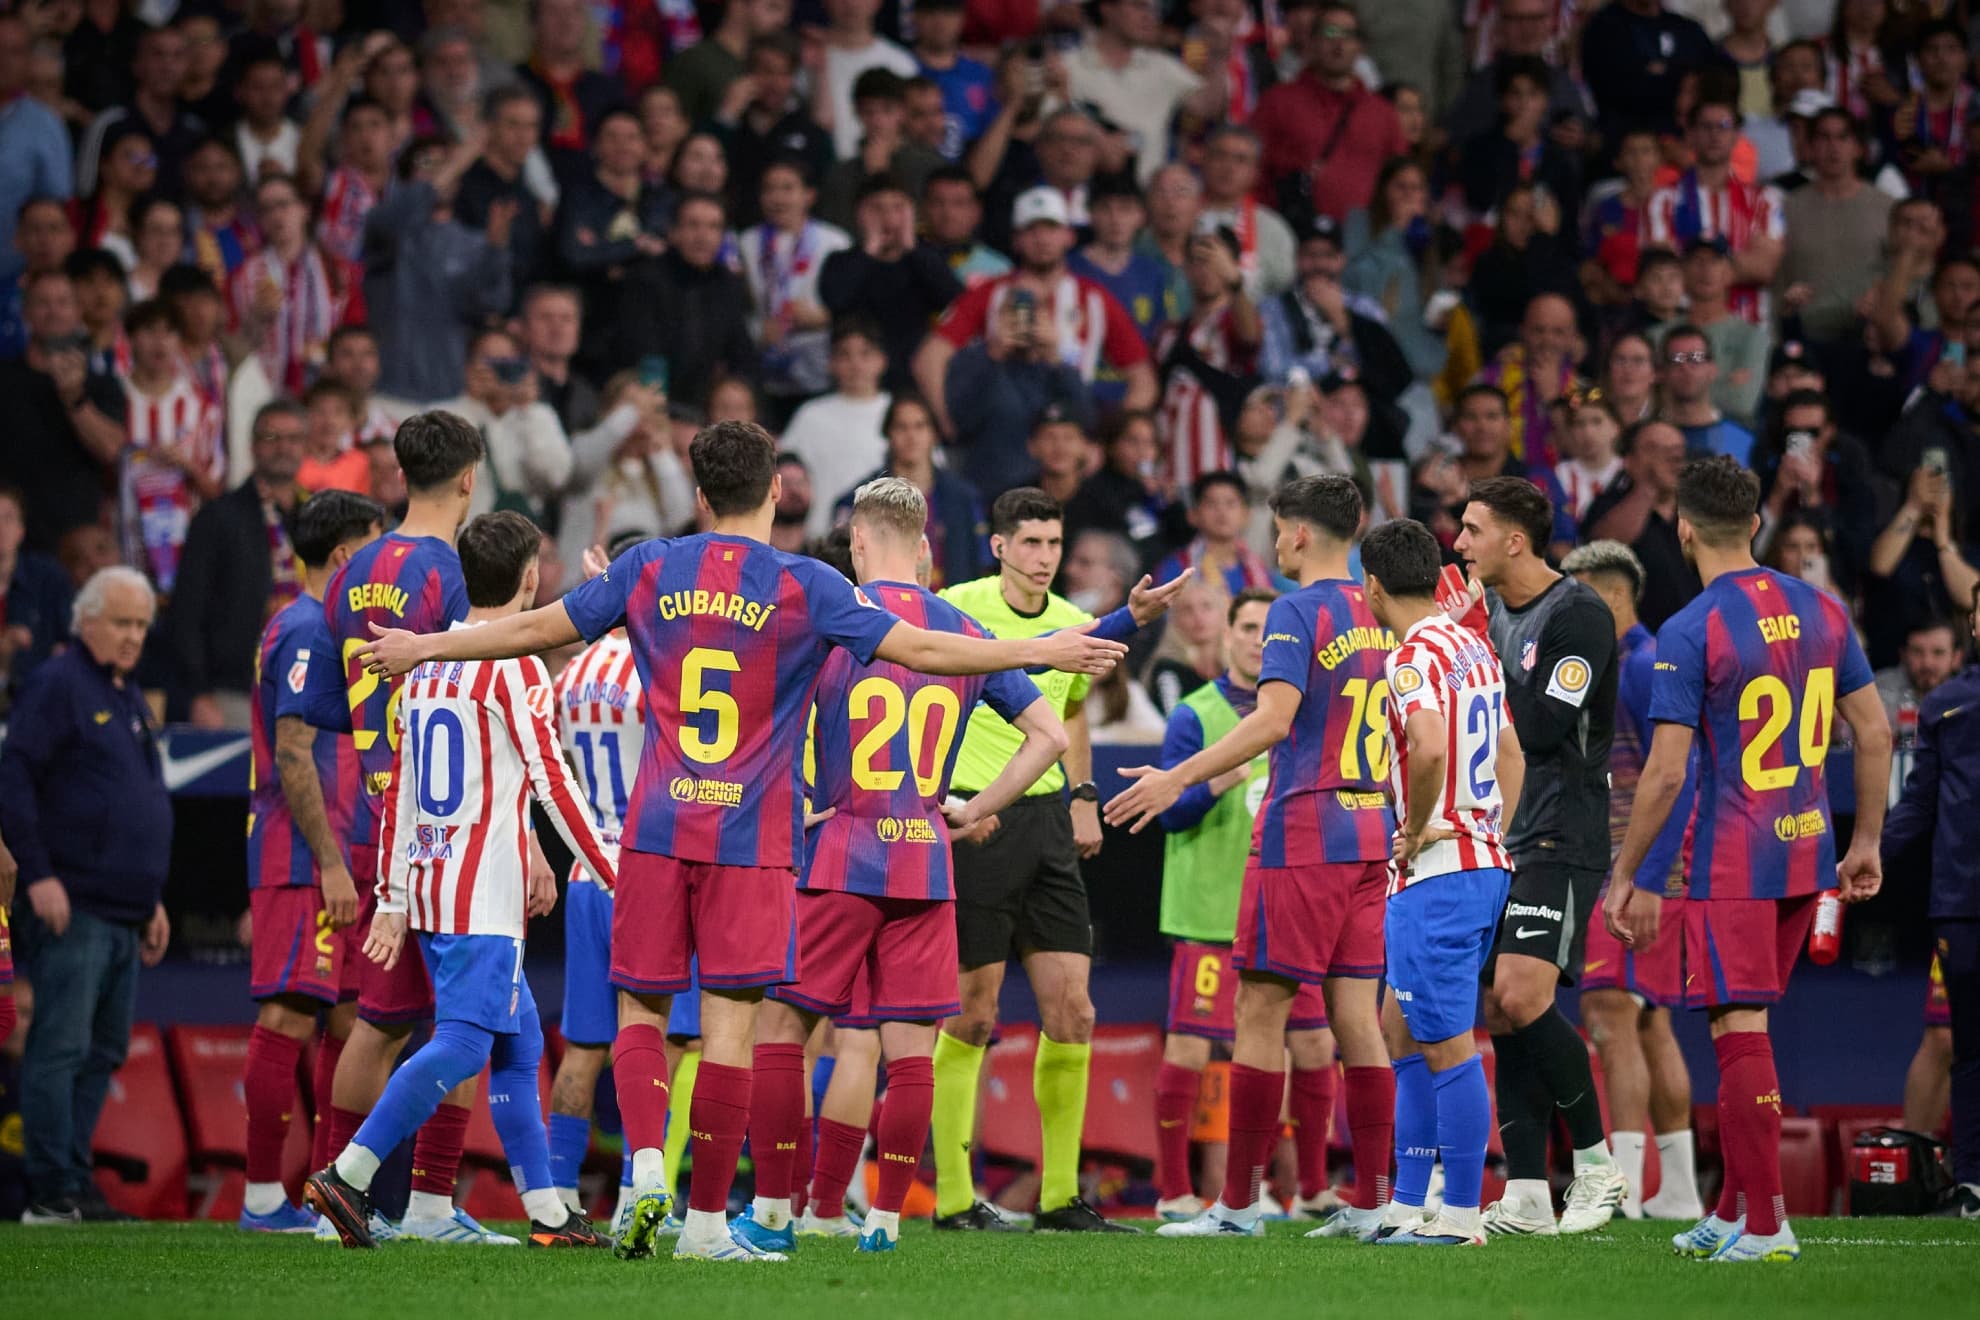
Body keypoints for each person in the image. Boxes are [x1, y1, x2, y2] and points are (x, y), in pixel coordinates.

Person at [355, 423, 1133, 1263]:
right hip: (753, 840)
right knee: (731, 1032)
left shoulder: (648, 564)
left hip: (654, 829)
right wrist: (1040, 646)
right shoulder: (808, 584)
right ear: (775, 494)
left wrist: (424, 644)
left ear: (699, 497)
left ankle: (645, 1171)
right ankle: (707, 1227)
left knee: (639, 1013)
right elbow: (924, 648)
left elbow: (530, 632)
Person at [736, 477, 1072, 1257]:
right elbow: (1050, 737)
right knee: (910, 1049)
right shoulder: (961, 629)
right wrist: (976, 807)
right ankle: (883, 1222)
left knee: (784, 1029)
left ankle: (777, 1215)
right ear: (924, 546)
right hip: (924, 858)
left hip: (844, 850)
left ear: (857, 543)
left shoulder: (830, 620)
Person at [1607, 455, 1892, 1263]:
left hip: (1733, 858)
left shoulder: (1690, 628)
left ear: (1685, 529)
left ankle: (1767, 1226)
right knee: (1749, 1025)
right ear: (1759, 523)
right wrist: (1865, 840)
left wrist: (1627, 873)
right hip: (1808, 855)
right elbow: (1872, 733)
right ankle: (1732, 1208)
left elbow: (1665, 773)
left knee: (1738, 1032)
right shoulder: (1825, 610)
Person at [307, 511, 615, 1251]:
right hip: (484, 893)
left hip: (438, 882)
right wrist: (614, 869)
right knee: (466, 1046)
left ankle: (547, 1212)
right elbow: (553, 781)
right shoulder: (513, 667)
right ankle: (346, 1175)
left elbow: (404, 790)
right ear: (532, 578)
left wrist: (393, 897)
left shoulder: (427, 666)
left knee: (516, 1047)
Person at [1110, 475, 1397, 1242]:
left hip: (1304, 832)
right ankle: (1370, 1203)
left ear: (1299, 535)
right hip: (1372, 831)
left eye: (1277, 530)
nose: (1274, 544)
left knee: (1259, 1014)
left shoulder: (1296, 610)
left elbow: (1273, 719)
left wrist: (1178, 775)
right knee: (1355, 1022)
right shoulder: (1380, 612)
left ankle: (1236, 1208)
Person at [922, 487, 1184, 1236]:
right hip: (975, 814)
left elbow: (1067, 710)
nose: (1043, 557)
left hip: (1045, 822)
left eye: (1053, 544)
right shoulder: (956, 605)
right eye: (1029, 543)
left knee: (1074, 1009)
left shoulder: (1073, 625)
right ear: (999, 546)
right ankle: (951, 1199)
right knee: (972, 1015)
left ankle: (1062, 1197)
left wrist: (1082, 795)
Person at [302, 411, 505, 1247]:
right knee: (464, 1019)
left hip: (375, 815)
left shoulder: (350, 576)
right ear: (467, 478)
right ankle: (424, 1205)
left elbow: (327, 715)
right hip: (449, 823)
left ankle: (329, 1202)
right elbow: (485, 693)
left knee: (378, 1020)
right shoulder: (451, 574)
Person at [1453, 476, 1629, 1235]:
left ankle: (1596, 1165)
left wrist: (1477, 644)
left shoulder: (1579, 616)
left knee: (1524, 998)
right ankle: (1526, 1191)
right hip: (1502, 832)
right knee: (1504, 1009)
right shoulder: (1487, 611)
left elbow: (1546, 726)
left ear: (1514, 541)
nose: (1458, 544)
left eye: (1471, 529)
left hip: (1563, 831)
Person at [1142, 587, 1343, 1221]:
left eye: (1268, 628)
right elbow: (1168, 812)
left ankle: (1311, 1189)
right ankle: (1174, 1191)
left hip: (1290, 908)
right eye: (1249, 627)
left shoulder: (1305, 710)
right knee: (1191, 1052)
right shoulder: (1195, 716)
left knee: (1313, 1048)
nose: (1260, 639)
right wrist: (1222, 775)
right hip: (1209, 912)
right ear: (1226, 634)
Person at [1352, 515, 1523, 1246]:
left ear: (1371, 586)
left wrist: (1418, 826)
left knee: (1448, 1041)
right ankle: (1408, 1201)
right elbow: (1511, 756)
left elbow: (1423, 749)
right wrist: (1489, 827)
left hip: (1439, 872)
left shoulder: (1412, 654)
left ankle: (1458, 1218)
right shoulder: (1473, 645)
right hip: (1477, 864)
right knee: (1401, 1025)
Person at [0, 566, 171, 1224]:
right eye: (121, 623)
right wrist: (36, 873)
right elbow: (13, 779)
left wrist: (152, 897)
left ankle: (74, 1179)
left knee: (101, 1051)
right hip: (71, 901)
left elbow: (134, 802)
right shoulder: (57, 684)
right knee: (61, 1046)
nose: (132, 637)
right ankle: (49, 1189)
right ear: (86, 622)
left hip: (124, 910)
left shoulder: (122, 694)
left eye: (140, 626)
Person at [237, 489, 383, 1234]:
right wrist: (327, 860)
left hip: (343, 851)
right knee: (291, 1012)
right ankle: (264, 1195)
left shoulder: (329, 628)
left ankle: (329, 1199)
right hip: (305, 855)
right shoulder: (305, 629)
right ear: (343, 556)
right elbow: (293, 750)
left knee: (355, 1020)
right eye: (374, 550)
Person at [1559, 540, 1706, 1223]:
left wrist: (1644, 876)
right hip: (1649, 870)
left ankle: (1618, 1188)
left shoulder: (1643, 665)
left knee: (1611, 1019)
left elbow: (1680, 773)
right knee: (1652, 1027)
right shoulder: (1624, 662)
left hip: (1633, 869)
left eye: (1577, 592)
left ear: (1610, 593)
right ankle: (1677, 1189)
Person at [917, 188, 1155, 491]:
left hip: (1069, 457)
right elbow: (929, 359)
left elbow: (1143, 381)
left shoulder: (1094, 299)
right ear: (1016, 238)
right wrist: (948, 424)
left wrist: (1106, 442)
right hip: (1000, 452)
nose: (1042, 239)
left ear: (1068, 236)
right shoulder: (990, 294)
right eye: (1032, 230)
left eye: (1051, 228)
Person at [1884, 590, 1980, 1219]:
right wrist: (1866, 855)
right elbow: (1917, 806)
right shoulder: (1948, 704)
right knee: (1967, 1045)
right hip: (1964, 902)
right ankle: (1972, 1183)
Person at [166, 400, 308, 731]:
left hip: (306, 689)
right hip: (233, 692)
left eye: (293, 438)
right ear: (254, 445)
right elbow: (187, 611)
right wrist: (198, 692)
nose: (283, 447)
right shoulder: (218, 516)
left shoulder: (318, 518)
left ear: (306, 446)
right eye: (272, 437)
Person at [362, 136, 517, 406]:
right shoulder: (387, 226)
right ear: (408, 178)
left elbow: (490, 303)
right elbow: (389, 223)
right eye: (426, 163)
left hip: (450, 391)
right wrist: (453, 164)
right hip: (387, 391)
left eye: (445, 165)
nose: (440, 170)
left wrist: (495, 250)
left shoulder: (475, 243)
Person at [1253, 3, 1405, 220]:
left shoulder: (1383, 114)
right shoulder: (1277, 102)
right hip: (1294, 234)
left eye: (1348, 35)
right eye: (1329, 32)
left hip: (1364, 241)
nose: (1338, 42)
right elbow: (1253, 170)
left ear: (1361, 46)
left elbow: (1399, 180)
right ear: (1312, 41)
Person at [1646, 95, 1787, 327]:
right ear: (1689, 134)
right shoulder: (1661, 200)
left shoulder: (1766, 200)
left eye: (1723, 126)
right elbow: (1662, 271)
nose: (1714, 134)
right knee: (1688, 362)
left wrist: (1693, 265)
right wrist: (1738, 263)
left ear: (1736, 136)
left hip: (1746, 335)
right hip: (1680, 335)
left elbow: (1766, 268)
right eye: (1705, 127)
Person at [117, 296, 224, 592]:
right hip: (119, 543)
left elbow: (215, 490)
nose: (160, 341)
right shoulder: (114, 399)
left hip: (184, 552)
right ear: (131, 339)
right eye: (149, 330)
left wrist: (186, 466)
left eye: (169, 332)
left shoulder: (202, 407)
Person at [830, 392, 989, 590]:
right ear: (888, 434)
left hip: (951, 612)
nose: (911, 436)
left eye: (920, 426)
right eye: (901, 427)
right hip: (882, 613)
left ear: (934, 434)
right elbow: (840, 566)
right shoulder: (860, 501)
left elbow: (982, 565)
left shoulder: (964, 498)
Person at [1067, 0, 1225, 185]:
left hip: (1145, 199)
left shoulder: (1163, 68)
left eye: (1152, 9)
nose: (1149, 16)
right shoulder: (1068, 67)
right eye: (1138, 6)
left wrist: (1217, 56)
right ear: (1107, 8)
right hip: (1084, 194)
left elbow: (1206, 107)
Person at [739, 156, 850, 414]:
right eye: (769, 189)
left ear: (809, 195)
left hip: (820, 372)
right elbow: (734, 310)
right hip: (763, 374)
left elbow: (854, 306)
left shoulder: (835, 243)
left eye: (787, 188)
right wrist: (757, 331)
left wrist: (825, 317)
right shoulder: (746, 243)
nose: (777, 197)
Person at [1779, 108, 1894, 343]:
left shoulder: (1886, 207)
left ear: (1858, 147)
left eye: (1843, 137)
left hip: (1868, 336)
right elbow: (1778, 277)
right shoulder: (1787, 208)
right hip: (1807, 337)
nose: (1834, 147)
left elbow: (1902, 269)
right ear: (1810, 147)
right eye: (1824, 138)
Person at [442, 325, 573, 524]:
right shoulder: (445, 414)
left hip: (521, 537)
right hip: (462, 536)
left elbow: (555, 477)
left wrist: (527, 411)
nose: (497, 369)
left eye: (506, 362)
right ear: (469, 367)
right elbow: (442, 476)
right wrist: (473, 403)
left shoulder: (539, 415)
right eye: (488, 361)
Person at [779, 318, 892, 537]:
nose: (856, 364)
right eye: (844, 355)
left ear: (882, 360)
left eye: (865, 354)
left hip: (885, 544)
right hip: (821, 543)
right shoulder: (810, 417)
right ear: (831, 363)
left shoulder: (900, 414)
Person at [1584, 421, 1699, 631]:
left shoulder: (1697, 512)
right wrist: (1648, 487)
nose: (1671, 458)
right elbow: (1604, 549)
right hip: (1637, 647)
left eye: (1676, 451)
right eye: (1654, 449)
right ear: (1629, 461)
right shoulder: (1608, 506)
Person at [1658, 325, 1756, 465]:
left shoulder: (1742, 439)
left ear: (1713, 369)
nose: (1685, 368)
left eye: (1696, 358)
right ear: (1661, 372)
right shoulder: (1646, 438)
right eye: (1676, 359)